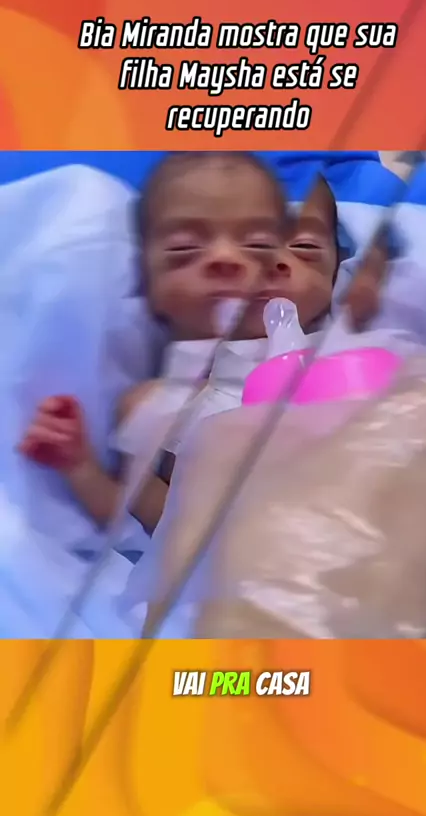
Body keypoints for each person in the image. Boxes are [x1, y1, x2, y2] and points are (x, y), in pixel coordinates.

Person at [18, 151, 389, 538]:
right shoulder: (154, 409)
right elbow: (152, 527)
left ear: (336, 273)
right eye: (186, 248)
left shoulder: (351, 344)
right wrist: (82, 470)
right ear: (148, 286)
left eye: (303, 246)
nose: (235, 259)